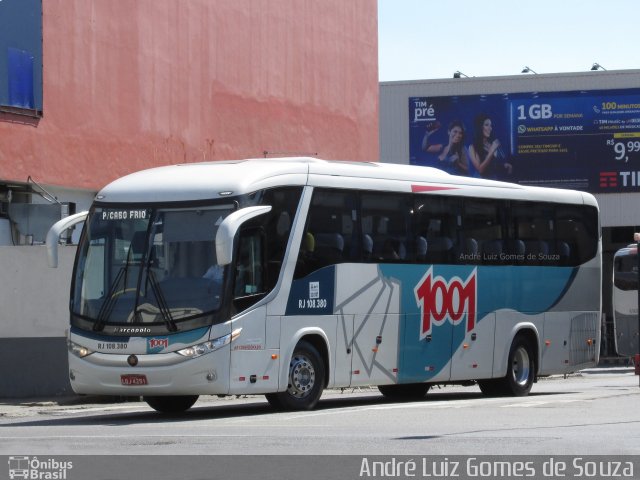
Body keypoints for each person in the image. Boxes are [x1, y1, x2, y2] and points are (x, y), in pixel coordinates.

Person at [468, 114, 512, 179]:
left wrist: (504, 165)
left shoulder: (491, 143)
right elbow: (480, 170)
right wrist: (492, 150)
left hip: (494, 180)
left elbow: (492, 165)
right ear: (479, 127)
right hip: (482, 183)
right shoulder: (472, 147)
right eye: (486, 125)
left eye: (490, 125)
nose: (490, 128)